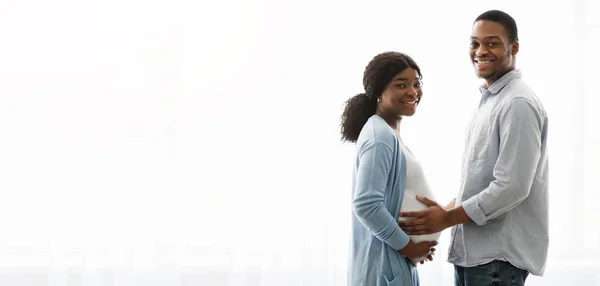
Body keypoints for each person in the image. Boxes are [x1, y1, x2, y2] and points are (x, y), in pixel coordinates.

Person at [398, 10, 549, 286]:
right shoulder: (492, 101)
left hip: (496, 261)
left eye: (491, 43)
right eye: (474, 43)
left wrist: (447, 218)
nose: (480, 51)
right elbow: (480, 183)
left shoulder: (517, 103)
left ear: (514, 47)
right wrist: (441, 215)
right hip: (477, 257)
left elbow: (511, 186)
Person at [341, 51, 440, 286]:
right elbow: (366, 205)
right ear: (378, 92)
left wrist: (415, 246)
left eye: (417, 84)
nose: (412, 92)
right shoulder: (380, 136)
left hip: (394, 264)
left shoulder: (387, 133)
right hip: (384, 270)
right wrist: (410, 248)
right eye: (401, 85)